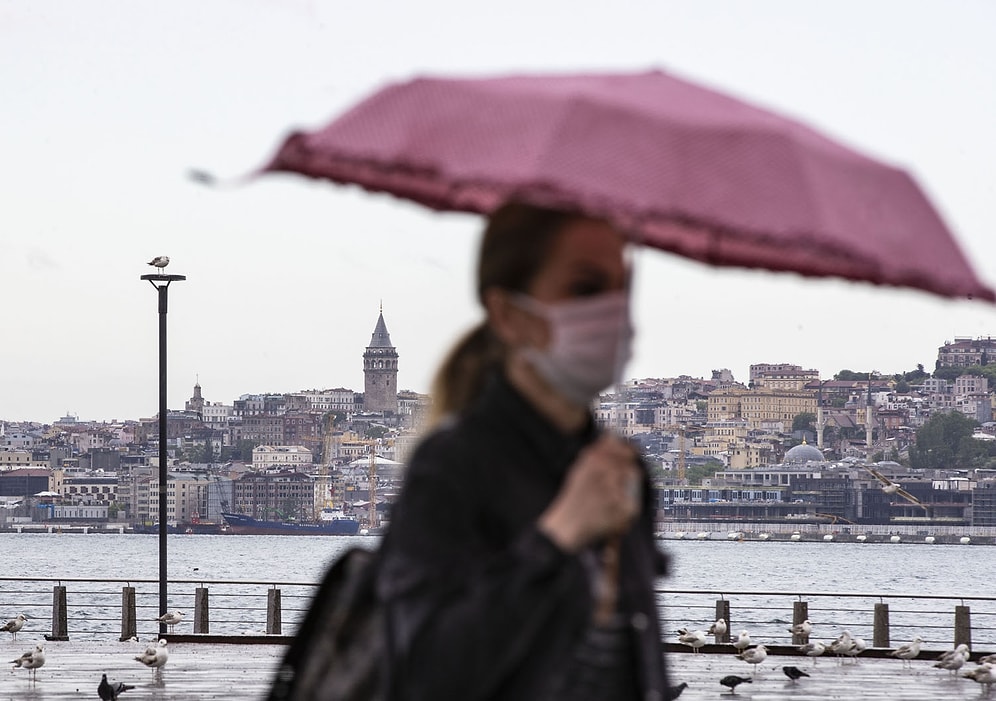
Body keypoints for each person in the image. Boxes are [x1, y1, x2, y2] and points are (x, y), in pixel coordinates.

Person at [377, 201, 672, 700]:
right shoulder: (453, 466)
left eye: (622, 289)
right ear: (509, 314)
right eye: (586, 289)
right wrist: (558, 538)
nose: (612, 312)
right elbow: (424, 673)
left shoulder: (624, 468)